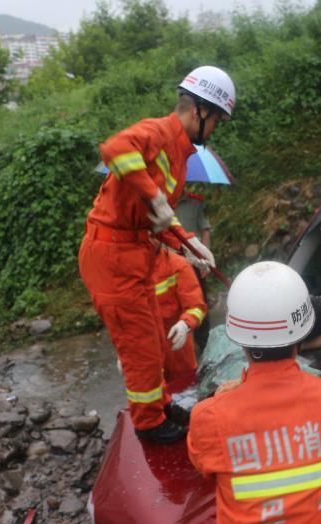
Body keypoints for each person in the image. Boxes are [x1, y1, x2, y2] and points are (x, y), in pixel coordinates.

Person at [78, 66, 235, 445]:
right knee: (141, 347)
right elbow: (114, 148)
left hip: (135, 250)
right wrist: (152, 195)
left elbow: (159, 216)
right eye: (216, 120)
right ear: (199, 110)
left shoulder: (180, 156)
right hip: (112, 254)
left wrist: (188, 243)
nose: (214, 129)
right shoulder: (158, 132)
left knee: (153, 340)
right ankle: (148, 423)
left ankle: (161, 405)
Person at [187, 261, 321, 524]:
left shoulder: (209, 419)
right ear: (303, 332)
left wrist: (230, 397)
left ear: (240, 341)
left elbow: (205, 466)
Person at [152, 244, 207, 384]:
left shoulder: (177, 265)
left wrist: (185, 324)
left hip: (178, 350)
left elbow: (196, 305)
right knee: (150, 401)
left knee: (185, 397)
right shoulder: (128, 271)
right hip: (148, 353)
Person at [174, 188, 212, 352]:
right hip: (171, 261)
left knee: (200, 301)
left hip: (195, 260)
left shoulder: (195, 202)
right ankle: (180, 342)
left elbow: (205, 230)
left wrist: (203, 254)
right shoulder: (161, 203)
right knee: (174, 303)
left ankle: (204, 343)